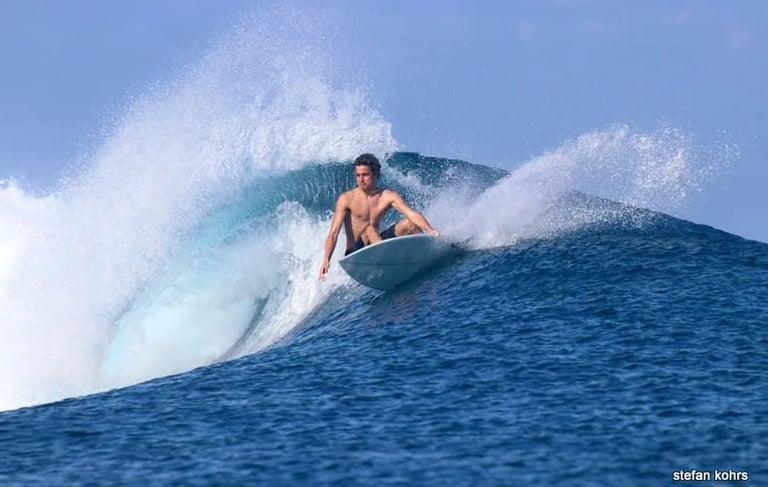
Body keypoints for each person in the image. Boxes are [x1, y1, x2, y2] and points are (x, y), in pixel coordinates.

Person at [319, 153, 440, 280]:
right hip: (357, 251)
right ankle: (390, 260)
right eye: (358, 175)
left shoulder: (387, 196)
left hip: (378, 244)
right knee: (368, 228)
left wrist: (431, 230)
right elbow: (333, 233)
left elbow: (411, 213)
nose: (361, 179)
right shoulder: (346, 199)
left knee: (411, 224)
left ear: (376, 174)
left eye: (365, 175)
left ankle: (421, 258)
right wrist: (327, 259)